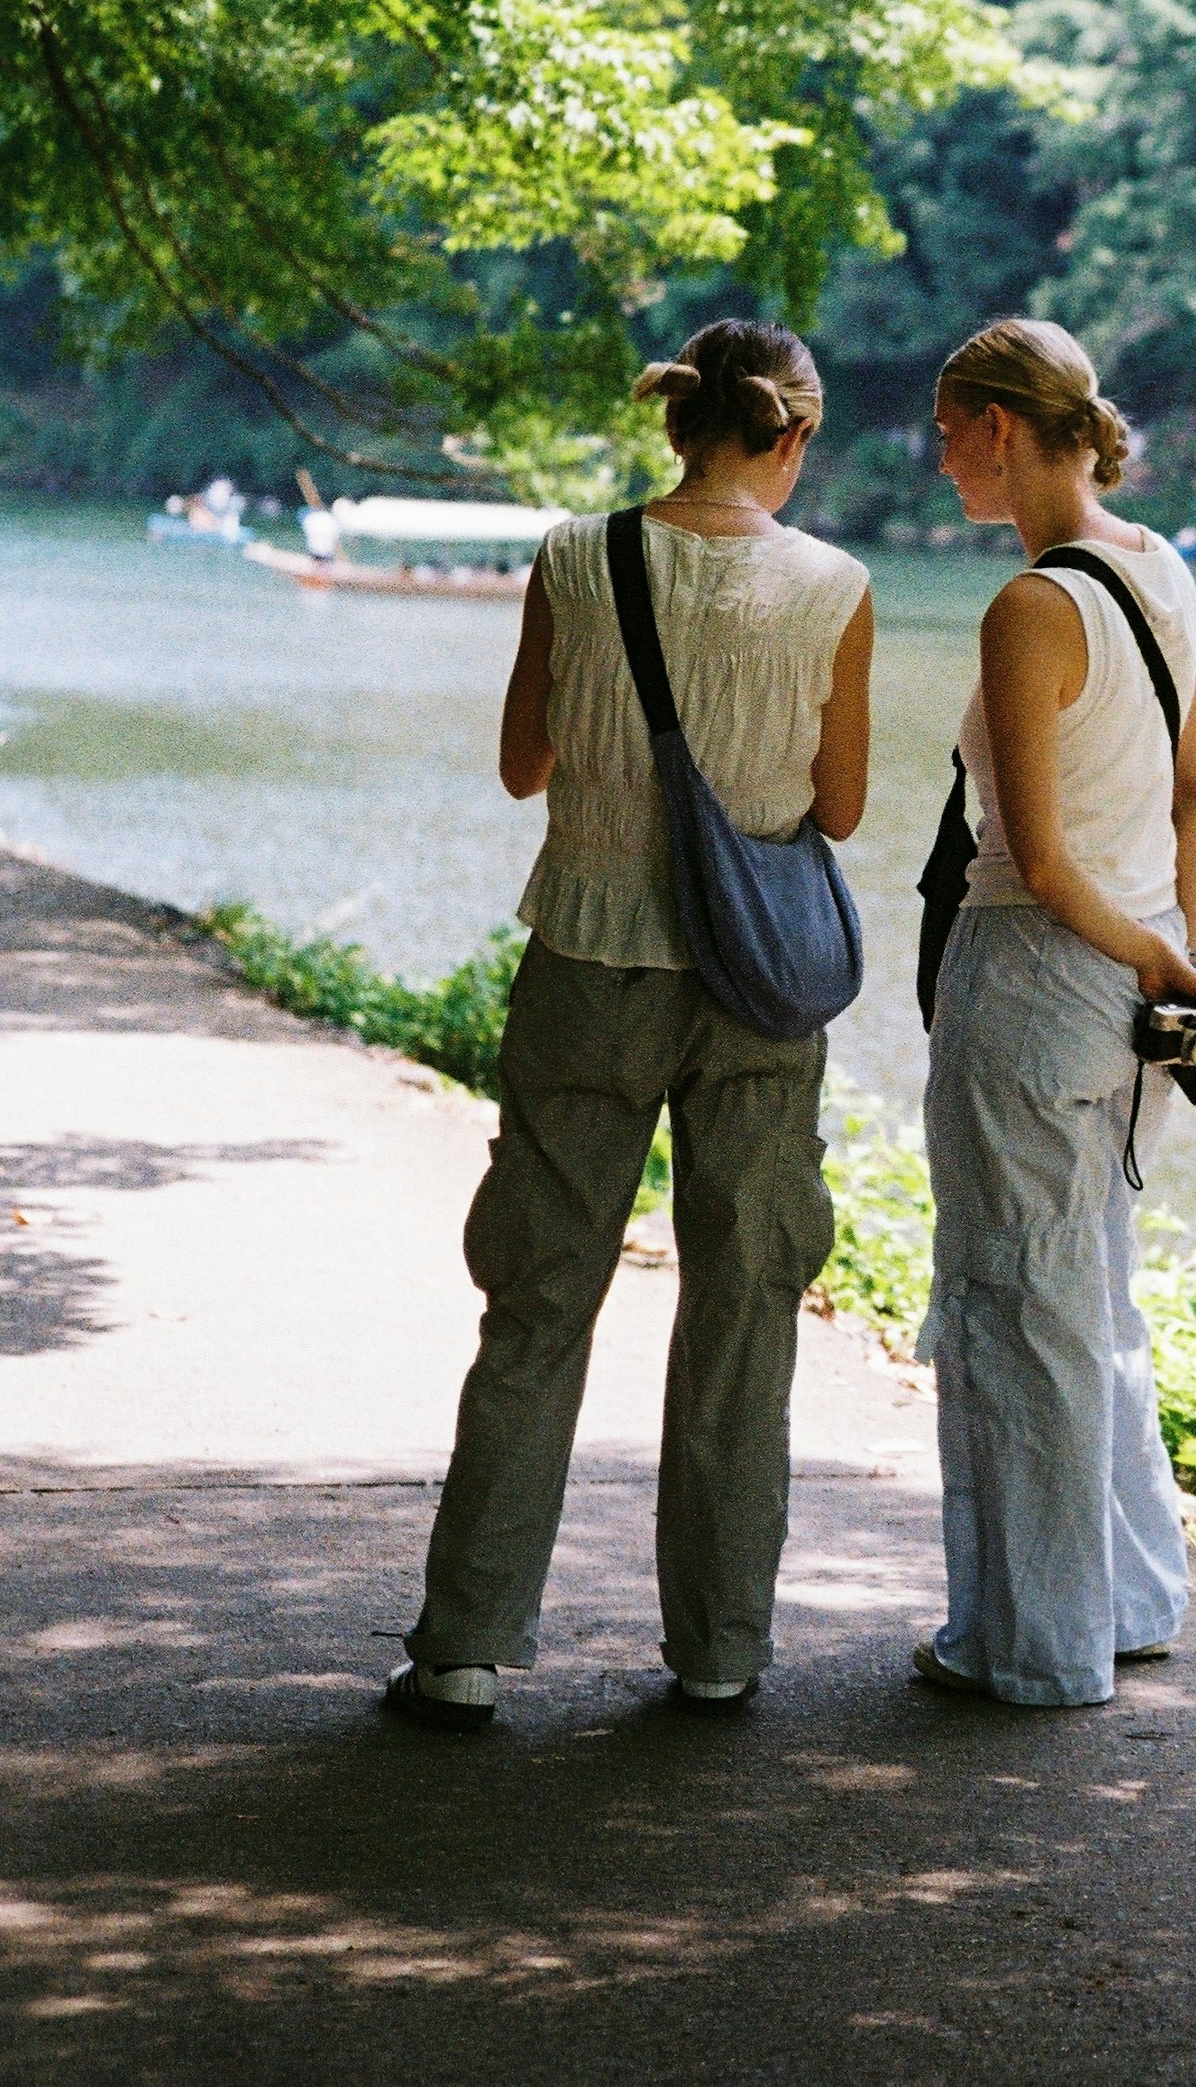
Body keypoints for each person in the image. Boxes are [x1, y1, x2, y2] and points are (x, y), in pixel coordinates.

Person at [384, 319, 877, 1729]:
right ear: (793, 440)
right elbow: (835, 811)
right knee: (742, 1310)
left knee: (537, 1300)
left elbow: (518, 764)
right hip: (756, 989)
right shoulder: (836, 586)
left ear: (677, 428)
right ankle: (719, 1649)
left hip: (588, 963)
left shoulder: (572, 557)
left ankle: (468, 1645)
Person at [912, 317, 1196, 1707]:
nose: (937, 461)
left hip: (1039, 983)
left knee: (1011, 1307)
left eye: (946, 433)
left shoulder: (1031, 608)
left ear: (998, 429)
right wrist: (1188, 966)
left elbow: (1039, 863)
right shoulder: (1159, 569)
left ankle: (1032, 1648)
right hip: (1136, 989)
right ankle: (1127, 1599)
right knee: (1089, 1291)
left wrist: (1163, 969)